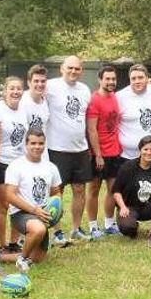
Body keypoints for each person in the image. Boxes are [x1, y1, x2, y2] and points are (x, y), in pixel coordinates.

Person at [44, 55, 93, 244]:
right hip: (57, 148)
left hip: (80, 149)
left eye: (77, 69)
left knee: (80, 189)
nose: (73, 71)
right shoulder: (51, 86)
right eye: (70, 68)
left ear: (81, 70)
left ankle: (75, 229)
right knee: (57, 192)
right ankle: (56, 231)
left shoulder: (85, 90)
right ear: (62, 69)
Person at [2, 129, 63, 272]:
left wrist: (56, 209)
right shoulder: (16, 165)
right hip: (21, 213)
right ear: (26, 144)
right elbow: (9, 195)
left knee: (38, 257)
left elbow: (56, 193)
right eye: (33, 143)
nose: (37, 147)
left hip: (42, 214)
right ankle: (22, 260)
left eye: (41, 143)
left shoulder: (51, 167)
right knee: (38, 229)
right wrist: (34, 210)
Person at [0, 77, 29, 254]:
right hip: (1, 163)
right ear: (4, 91)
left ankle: (14, 242)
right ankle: (2, 245)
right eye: (12, 88)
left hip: (19, 164)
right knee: (3, 206)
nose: (16, 92)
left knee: (18, 205)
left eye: (19, 88)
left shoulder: (23, 109)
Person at [86, 65, 123, 238]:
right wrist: (98, 154)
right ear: (100, 80)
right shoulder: (94, 100)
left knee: (112, 189)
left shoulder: (115, 97)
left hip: (114, 152)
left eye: (113, 79)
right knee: (93, 189)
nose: (111, 82)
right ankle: (93, 226)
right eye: (107, 79)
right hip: (98, 154)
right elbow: (91, 129)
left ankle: (109, 223)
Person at [117, 63, 151, 159]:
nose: (137, 81)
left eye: (140, 77)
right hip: (128, 156)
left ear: (147, 78)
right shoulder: (119, 96)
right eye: (133, 78)